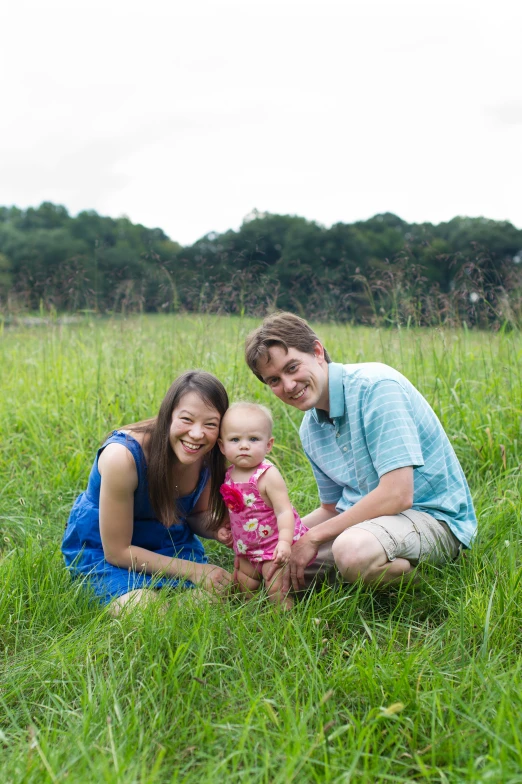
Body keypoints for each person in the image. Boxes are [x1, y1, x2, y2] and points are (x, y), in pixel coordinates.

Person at [244, 312, 477, 593]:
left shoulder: (377, 388)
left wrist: (313, 538)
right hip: (370, 524)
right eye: (274, 380)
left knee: (352, 552)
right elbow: (331, 509)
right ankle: (358, 572)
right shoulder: (310, 427)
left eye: (292, 367)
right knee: (272, 567)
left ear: (317, 352)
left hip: (433, 519)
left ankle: (437, 581)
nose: (288, 385)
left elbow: (398, 494)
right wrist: (274, 539)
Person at [62, 370, 234, 615]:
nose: (197, 434)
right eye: (186, 419)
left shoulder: (206, 452)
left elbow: (197, 514)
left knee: (221, 591)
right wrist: (195, 571)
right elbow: (118, 552)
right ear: (168, 416)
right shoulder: (121, 458)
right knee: (145, 610)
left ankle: (176, 609)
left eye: (210, 424)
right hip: (107, 549)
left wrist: (218, 528)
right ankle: (165, 608)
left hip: (168, 541)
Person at [214, 402, 311, 608]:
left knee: (276, 588)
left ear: (269, 444)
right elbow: (234, 509)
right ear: (222, 446)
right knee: (244, 584)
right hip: (246, 547)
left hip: (273, 548)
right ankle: (249, 616)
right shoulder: (229, 474)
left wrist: (285, 543)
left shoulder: (267, 475)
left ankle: (285, 622)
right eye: (235, 439)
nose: (244, 445)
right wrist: (225, 527)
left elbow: (284, 511)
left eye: (253, 439)